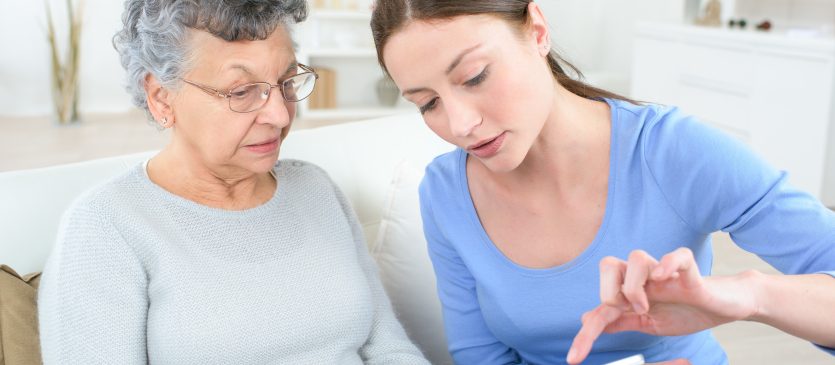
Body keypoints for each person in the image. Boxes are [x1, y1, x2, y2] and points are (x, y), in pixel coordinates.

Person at [370, 0, 835, 364]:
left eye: (475, 76)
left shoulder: (672, 151)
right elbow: (479, 354)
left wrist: (751, 295)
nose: (461, 123)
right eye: (427, 103)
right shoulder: (445, 193)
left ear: (537, 31)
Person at [37, 1, 429, 364]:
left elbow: (388, 348)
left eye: (287, 82)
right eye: (242, 92)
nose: (278, 114)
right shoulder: (107, 227)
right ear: (161, 98)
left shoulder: (315, 188)